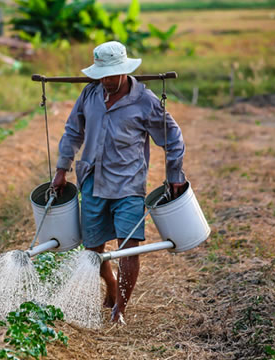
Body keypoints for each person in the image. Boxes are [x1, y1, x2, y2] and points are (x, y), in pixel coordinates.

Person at [51, 41, 187, 324]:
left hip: (129, 184)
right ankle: (111, 285)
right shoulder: (89, 94)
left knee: (129, 247)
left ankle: (119, 310)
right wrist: (62, 169)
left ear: (125, 71)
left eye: (112, 75)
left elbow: (173, 138)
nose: (107, 81)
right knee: (93, 250)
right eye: (102, 75)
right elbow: (72, 132)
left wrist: (174, 174)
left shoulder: (145, 101)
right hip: (92, 181)